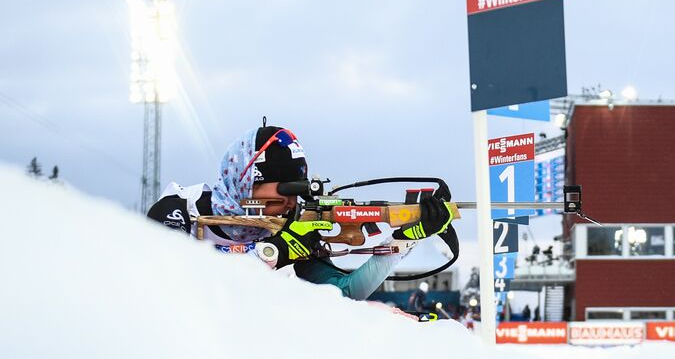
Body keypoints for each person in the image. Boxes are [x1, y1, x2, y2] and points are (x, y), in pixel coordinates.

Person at [146, 124, 452, 300]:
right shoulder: (178, 211)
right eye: (283, 190)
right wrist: (275, 251)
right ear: (246, 180)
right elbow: (175, 290)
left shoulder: (293, 224)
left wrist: (400, 243)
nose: (291, 202)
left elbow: (345, 295)